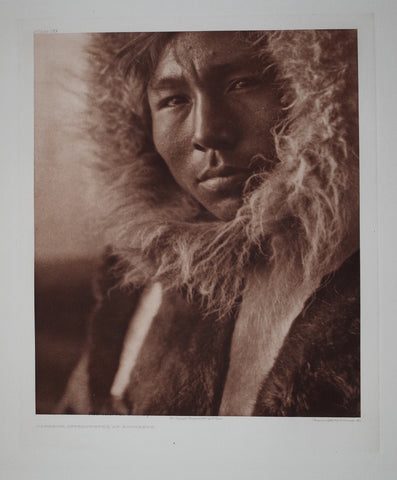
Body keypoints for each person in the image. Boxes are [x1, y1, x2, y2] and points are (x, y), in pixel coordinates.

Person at [57, 29, 360, 416]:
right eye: (173, 100)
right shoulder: (137, 284)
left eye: (242, 83)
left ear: (318, 90)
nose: (207, 133)